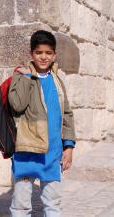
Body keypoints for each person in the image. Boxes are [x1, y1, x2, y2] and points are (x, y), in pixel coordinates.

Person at [8, 30, 76, 217]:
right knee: (21, 205)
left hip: (52, 152)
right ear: (31, 54)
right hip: (26, 151)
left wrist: (68, 147)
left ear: (54, 54)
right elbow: (17, 105)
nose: (43, 57)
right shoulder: (21, 77)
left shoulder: (57, 81)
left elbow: (67, 114)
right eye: (39, 53)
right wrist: (27, 78)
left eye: (48, 52)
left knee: (53, 203)